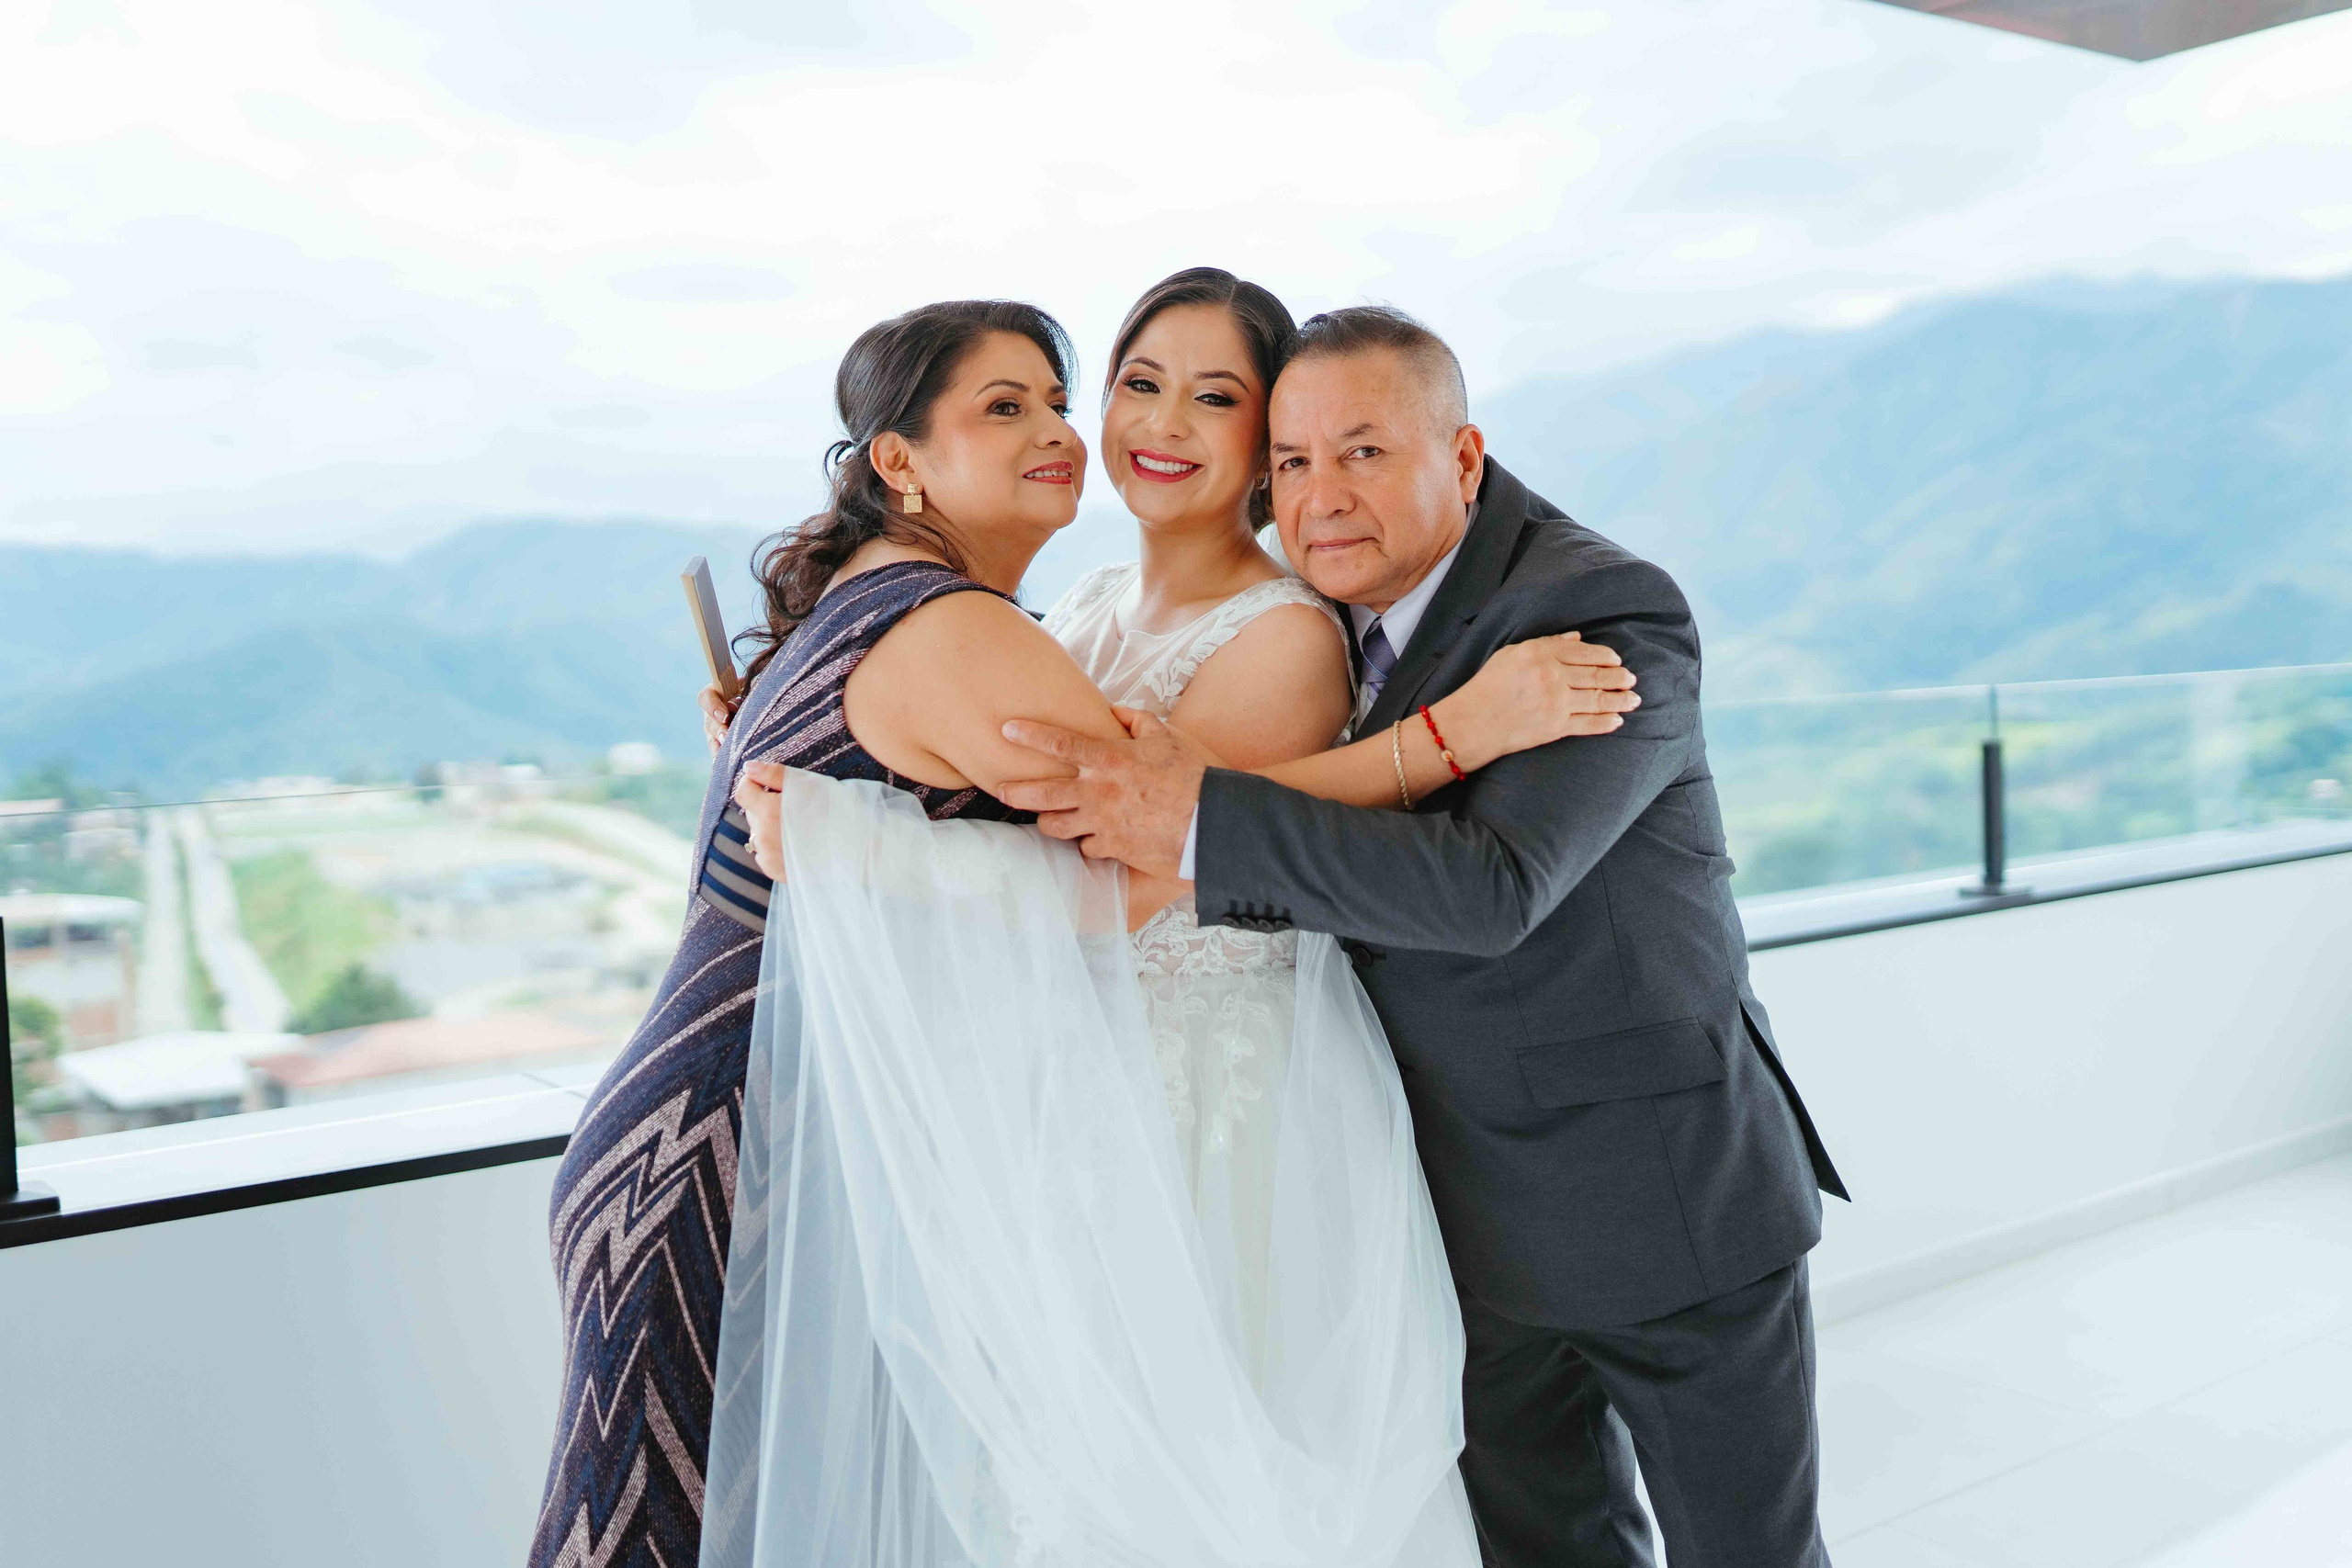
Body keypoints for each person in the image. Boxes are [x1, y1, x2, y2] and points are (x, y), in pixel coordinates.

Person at [532, 288, 1634, 1568]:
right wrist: (1439, 741)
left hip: (1124, 1120)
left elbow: (1158, 852)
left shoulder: (1224, 631)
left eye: (1214, 398)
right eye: (1116, 386)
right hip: (767, 1138)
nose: (1123, 423)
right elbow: (1116, 836)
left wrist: (854, 833)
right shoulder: (1031, 615)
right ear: (899, 460)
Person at [1000, 305, 1851, 1568]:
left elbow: (1492, 887)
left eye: (1363, 453)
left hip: (1658, 1198)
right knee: (1544, 1549)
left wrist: (1199, 817)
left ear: (1462, 457)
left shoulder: (1599, 612)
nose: (1321, 498)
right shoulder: (1318, 609)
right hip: (1452, 1215)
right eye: (1291, 463)